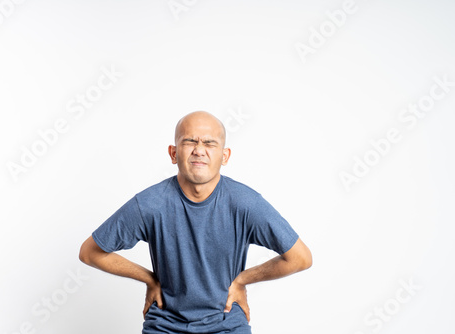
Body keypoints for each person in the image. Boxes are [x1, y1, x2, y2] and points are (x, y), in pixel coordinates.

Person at [79, 111, 312, 333]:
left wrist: (242, 280)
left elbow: (300, 258)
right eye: (189, 141)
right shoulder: (150, 204)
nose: (199, 151)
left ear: (225, 156)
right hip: (165, 325)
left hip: (226, 324)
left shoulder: (246, 203)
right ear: (173, 153)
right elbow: (90, 252)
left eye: (209, 143)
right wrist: (149, 278)